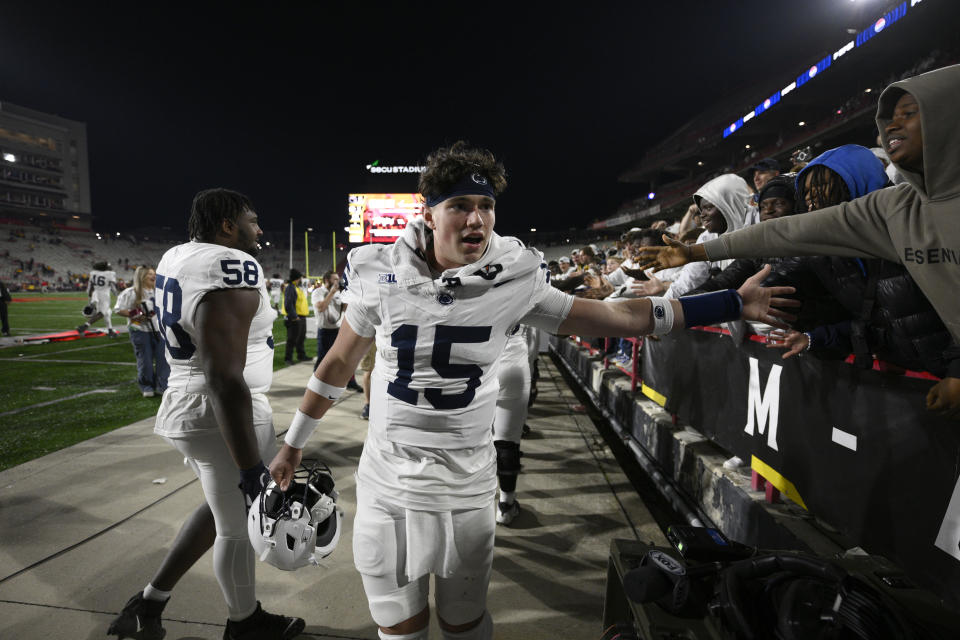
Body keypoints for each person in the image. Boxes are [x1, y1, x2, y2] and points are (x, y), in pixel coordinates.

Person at [267, 141, 797, 640]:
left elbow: (618, 314)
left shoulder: (512, 275)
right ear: (428, 213)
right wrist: (292, 443)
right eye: (460, 206)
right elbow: (339, 362)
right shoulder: (377, 271)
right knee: (398, 632)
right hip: (388, 482)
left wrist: (729, 302)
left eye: (485, 205)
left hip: (467, 485)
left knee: (464, 628)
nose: (476, 218)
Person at [638, 64, 960, 418]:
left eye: (910, 113)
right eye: (891, 117)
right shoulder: (891, 208)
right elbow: (785, 233)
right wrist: (695, 251)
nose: (891, 125)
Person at [108, 189, 304, 640]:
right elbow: (223, 376)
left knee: (221, 508)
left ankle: (148, 604)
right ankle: (244, 622)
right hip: (220, 410)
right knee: (236, 527)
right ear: (228, 227)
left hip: (187, 401)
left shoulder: (178, 255)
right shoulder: (229, 265)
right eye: (252, 221)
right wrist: (252, 465)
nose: (259, 230)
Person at [492, 324, 533, 525]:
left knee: (468, 437)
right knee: (506, 442)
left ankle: (465, 502)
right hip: (511, 361)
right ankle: (505, 506)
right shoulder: (523, 290)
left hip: (472, 364)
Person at [114, 265, 169, 397]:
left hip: (159, 330)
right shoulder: (131, 292)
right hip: (139, 329)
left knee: (163, 360)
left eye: (154, 273)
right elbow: (118, 309)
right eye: (150, 274)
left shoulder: (160, 291)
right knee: (145, 360)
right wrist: (137, 313)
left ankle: (162, 386)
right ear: (142, 276)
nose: (153, 276)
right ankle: (147, 386)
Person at [77, 260, 118, 336]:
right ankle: (85, 326)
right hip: (104, 295)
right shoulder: (110, 274)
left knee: (107, 313)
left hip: (95, 293)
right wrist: (117, 295)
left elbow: (91, 287)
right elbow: (113, 287)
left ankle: (110, 331)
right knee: (102, 313)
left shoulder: (93, 273)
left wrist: (90, 298)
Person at [312, 270, 343, 369]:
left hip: (337, 330)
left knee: (338, 358)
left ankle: (348, 381)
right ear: (326, 280)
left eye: (338, 279)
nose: (337, 282)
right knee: (322, 358)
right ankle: (316, 382)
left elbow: (345, 309)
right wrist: (332, 293)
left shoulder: (339, 292)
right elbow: (321, 308)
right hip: (324, 331)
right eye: (335, 279)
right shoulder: (318, 292)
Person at [282, 268, 309, 365]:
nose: (301, 279)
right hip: (295, 318)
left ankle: (301, 355)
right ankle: (288, 359)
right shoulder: (290, 288)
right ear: (297, 278)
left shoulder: (296, 287)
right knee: (292, 339)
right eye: (300, 277)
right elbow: (288, 304)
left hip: (301, 317)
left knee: (301, 338)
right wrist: (294, 317)